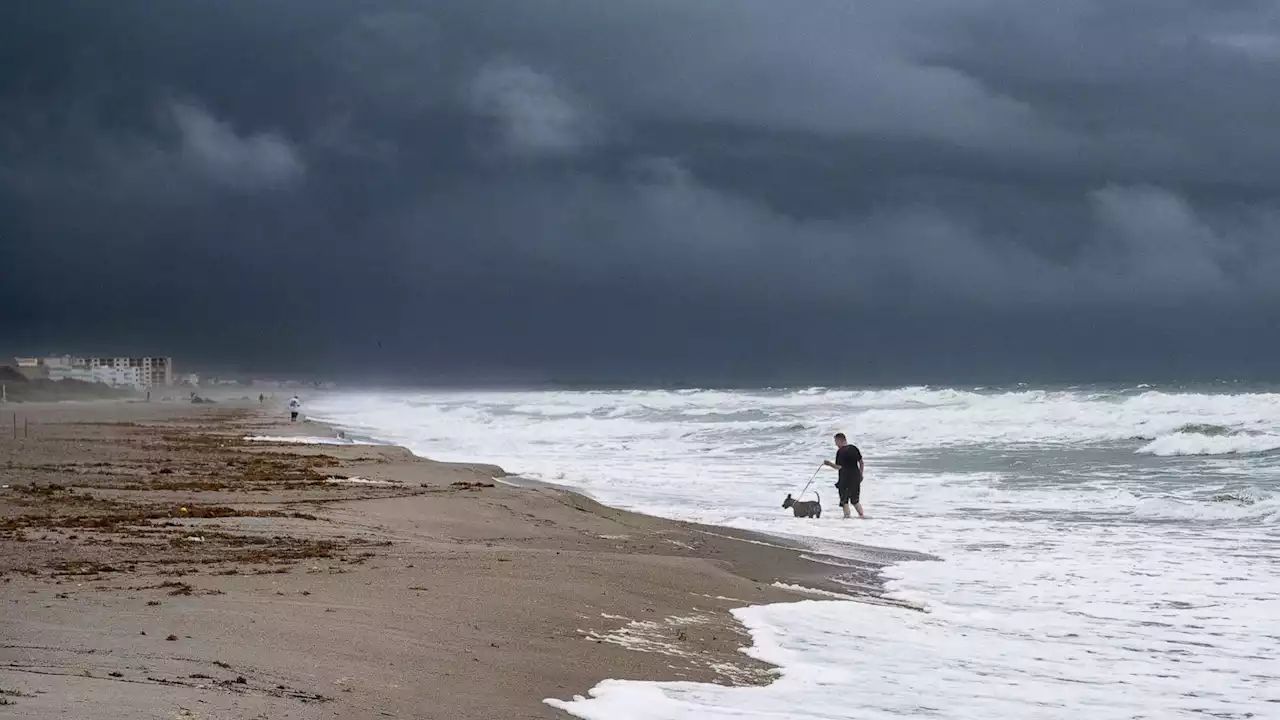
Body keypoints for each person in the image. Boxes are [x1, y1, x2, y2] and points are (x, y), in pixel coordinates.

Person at [822, 432, 865, 519]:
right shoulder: (854, 448)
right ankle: (862, 516)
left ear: (840, 440)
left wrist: (829, 463)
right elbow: (861, 462)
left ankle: (847, 518)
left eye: (836, 441)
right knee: (855, 501)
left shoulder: (841, 451)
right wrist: (861, 474)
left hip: (845, 479)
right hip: (856, 478)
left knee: (844, 501)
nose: (835, 444)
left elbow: (839, 467)